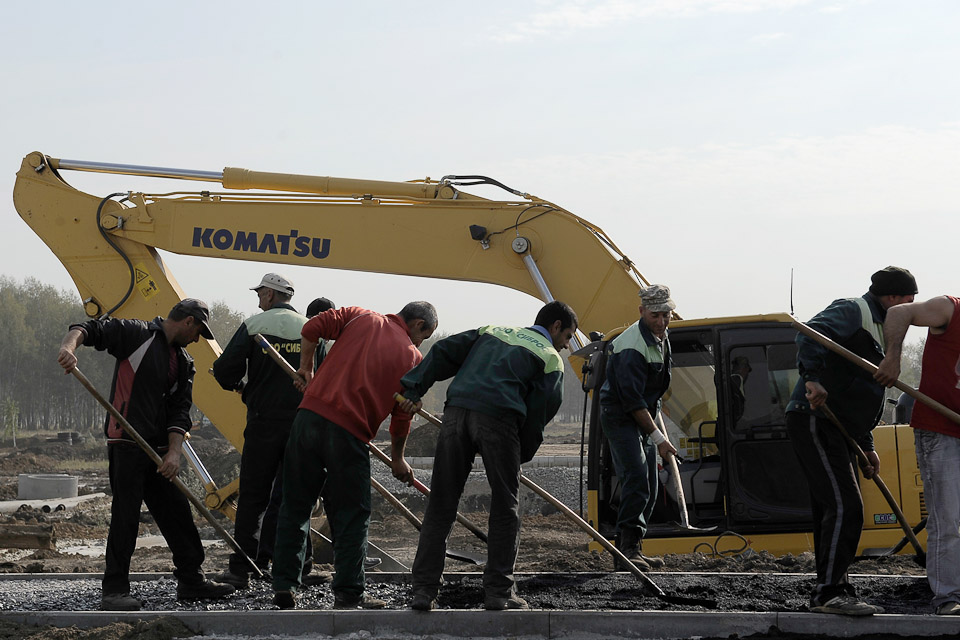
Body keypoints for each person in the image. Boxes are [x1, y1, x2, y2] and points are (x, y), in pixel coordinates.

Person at [399, 300, 578, 611]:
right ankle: (499, 592)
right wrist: (521, 453)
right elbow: (540, 412)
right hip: (499, 419)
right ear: (556, 326)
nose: (565, 346)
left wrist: (413, 388)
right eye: (567, 337)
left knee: (441, 502)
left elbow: (443, 352)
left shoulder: (492, 331)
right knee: (506, 506)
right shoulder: (550, 358)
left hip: (456, 413)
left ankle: (424, 591)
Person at [56, 299, 235, 611]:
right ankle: (114, 591)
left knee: (178, 513)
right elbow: (87, 328)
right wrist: (69, 348)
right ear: (188, 322)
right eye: (197, 332)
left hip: (160, 452)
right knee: (126, 516)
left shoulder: (185, 363)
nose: (196, 339)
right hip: (126, 443)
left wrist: (174, 453)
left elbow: (180, 413)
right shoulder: (136, 334)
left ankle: (191, 581)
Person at [271, 301, 438, 610]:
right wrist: (398, 459)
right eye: (423, 337)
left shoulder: (360, 316)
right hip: (348, 434)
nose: (419, 344)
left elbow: (311, 328)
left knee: (294, 505)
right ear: (418, 325)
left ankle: (284, 584)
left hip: (307, 420)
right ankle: (349, 592)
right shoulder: (413, 359)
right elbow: (402, 419)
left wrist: (306, 367)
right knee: (352, 513)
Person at [785, 266, 916, 616]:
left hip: (842, 426)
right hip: (816, 416)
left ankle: (833, 589)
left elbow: (859, 394)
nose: (911, 311)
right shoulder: (853, 310)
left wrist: (867, 445)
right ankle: (829, 593)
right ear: (891, 298)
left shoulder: (886, 331)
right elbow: (810, 333)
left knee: (833, 508)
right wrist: (812, 379)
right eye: (907, 302)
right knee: (846, 506)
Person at [212, 273, 314, 588]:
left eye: (260, 294)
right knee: (296, 496)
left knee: (253, 497)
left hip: (263, 423)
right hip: (301, 424)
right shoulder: (311, 329)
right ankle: (298, 567)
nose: (258, 300)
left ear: (270, 295)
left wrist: (241, 387)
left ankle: (242, 569)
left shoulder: (254, 325)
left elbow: (223, 370)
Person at [875, 295, 960, 616]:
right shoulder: (950, 310)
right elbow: (900, 312)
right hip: (941, 430)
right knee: (947, 518)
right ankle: (948, 597)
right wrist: (892, 358)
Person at [599, 284, 679, 572]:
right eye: (655, 315)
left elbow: (653, 392)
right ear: (642, 311)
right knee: (636, 479)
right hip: (621, 416)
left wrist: (655, 423)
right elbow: (632, 401)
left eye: (666, 315)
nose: (661, 321)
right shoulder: (631, 346)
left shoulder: (662, 339)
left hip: (643, 414)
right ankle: (625, 552)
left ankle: (634, 546)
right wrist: (659, 438)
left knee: (651, 486)